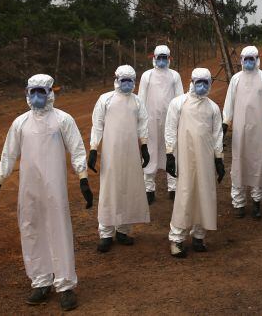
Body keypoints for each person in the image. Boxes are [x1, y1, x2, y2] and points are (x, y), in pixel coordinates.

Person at [0, 74, 92, 311]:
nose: (37, 96)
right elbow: (8, 155)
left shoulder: (63, 120)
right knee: (31, 228)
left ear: (51, 92)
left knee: (58, 229)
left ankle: (65, 285)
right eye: (33, 91)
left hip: (55, 187)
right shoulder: (20, 123)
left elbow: (77, 150)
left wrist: (83, 180)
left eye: (42, 91)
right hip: (29, 188)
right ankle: (41, 280)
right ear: (27, 93)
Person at [88, 65, 151, 253]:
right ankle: (106, 233)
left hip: (131, 153)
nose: (127, 84)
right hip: (111, 153)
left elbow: (143, 125)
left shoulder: (137, 102)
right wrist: (93, 148)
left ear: (134, 81)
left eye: (130, 80)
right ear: (116, 79)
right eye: (123, 80)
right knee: (110, 190)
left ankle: (123, 230)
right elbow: (97, 125)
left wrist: (145, 146)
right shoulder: (105, 99)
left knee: (128, 189)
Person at [164, 68, 225, 258]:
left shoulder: (213, 108)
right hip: (184, 158)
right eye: (198, 81)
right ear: (191, 81)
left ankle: (199, 235)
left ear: (210, 83)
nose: (202, 85)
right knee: (185, 194)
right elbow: (170, 129)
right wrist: (169, 154)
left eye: (205, 82)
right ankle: (177, 238)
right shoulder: (178, 103)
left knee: (204, 195)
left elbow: (217, 136)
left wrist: (219, 159)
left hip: (205, 160)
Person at [222, 46, 262, 220]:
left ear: (257, 59)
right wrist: (225, 125)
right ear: (241, 60)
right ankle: (238, 203)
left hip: (260, 131)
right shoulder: (236, 79)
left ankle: (256, 202)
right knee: (239, 164)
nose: (248, 62)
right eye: (245, 59)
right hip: (239, 131)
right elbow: (229, 105)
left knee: (258, 164)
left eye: (251, 59)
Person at [138, 45, 184, 204]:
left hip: (170, 121)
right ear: (154, 58)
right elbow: (141, 99)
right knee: (149, 151)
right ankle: (149, 189)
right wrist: (141, 121)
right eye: (160, 57)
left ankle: (173, 187)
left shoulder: (175, 76)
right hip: (150, 121)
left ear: (169, 58)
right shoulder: (146, 76)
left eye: (165, 57)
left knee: (172, 150)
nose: (162, 60)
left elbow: (180, 99)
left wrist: (180, 119)